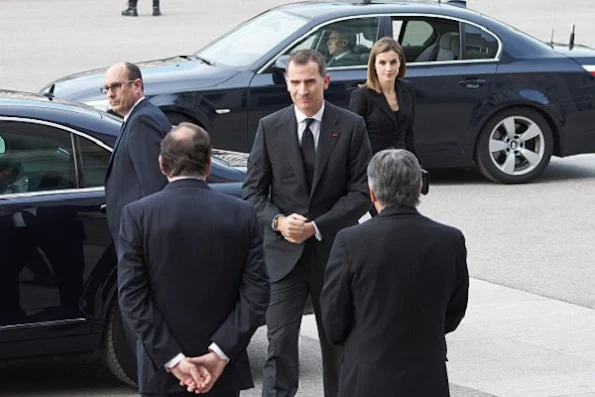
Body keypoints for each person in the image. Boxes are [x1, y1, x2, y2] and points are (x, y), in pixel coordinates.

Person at [242, 49, 372, 397]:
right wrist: (280, 222)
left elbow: (361, 193)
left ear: (325, 82)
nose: (303, 90)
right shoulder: (270, 128)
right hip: (282, 257)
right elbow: (253, 194)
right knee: (279, 344)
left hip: (333, 254)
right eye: (295, 83)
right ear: (287, 85)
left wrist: (316, 227)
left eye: (310, 82)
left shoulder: (351, 126)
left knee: (338, 344)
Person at [118, 123, 270, 397]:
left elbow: (131, 296)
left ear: (162, 165)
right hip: (221, 373)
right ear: (209, 165)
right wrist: (220, 352)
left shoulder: (137, 216)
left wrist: (173, 360)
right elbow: (256, 294)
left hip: (160, 371)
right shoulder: (242, 214)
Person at [320, 149, 469, 397]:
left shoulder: (351, 241)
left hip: (367, 375)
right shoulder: (449, 239)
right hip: (426, 374)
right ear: (419, 185)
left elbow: (333, 319)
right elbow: (454, 311)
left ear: (372, 191)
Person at [103, 62, 171, 248]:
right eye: (107, 88)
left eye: (116, 86)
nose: (110, 94)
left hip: (140, 237)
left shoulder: (142, 121)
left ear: (137, 85)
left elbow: (153, 186)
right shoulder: (136, 117)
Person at [349, 37, 417, 156]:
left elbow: (408, 133)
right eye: (382, 62)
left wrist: (416, 164)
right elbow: (355, 140)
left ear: (400, 62)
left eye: (393, 62)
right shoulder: (361, 96)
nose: (388, 68)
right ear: (373, 64)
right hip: (374, 165)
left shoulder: (407, 89)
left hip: (402, 163)